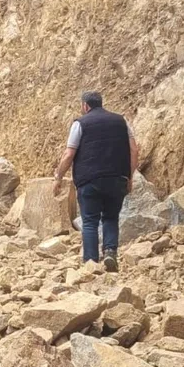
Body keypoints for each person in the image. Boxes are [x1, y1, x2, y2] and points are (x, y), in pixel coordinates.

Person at [52, 90, 138, 271]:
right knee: (111, 217)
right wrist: (130, 177)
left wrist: (58, 176)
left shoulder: (80, 124)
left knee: (89, 221)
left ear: (85, 105)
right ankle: (110, 253)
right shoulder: (121, 121)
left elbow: (69, 154)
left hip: (89, 180)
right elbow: (134, 150)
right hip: (117, 177)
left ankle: (91, 263)